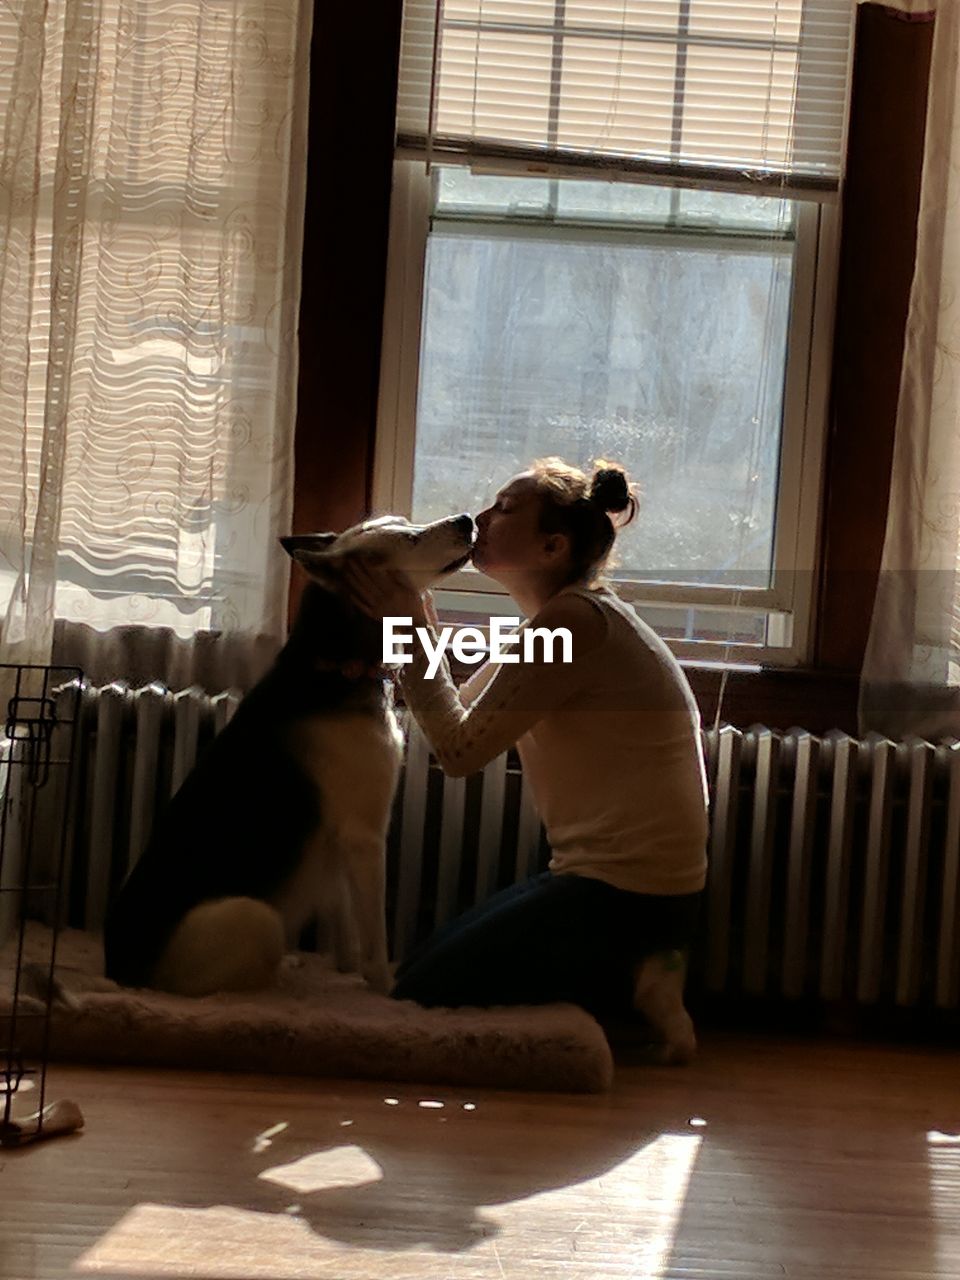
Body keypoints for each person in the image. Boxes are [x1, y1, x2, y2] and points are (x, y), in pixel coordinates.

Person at [344, 457, 709, 1063]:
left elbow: (459, 753)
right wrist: (411, 620)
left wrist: (407, 627)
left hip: (625, 895)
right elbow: (452, 719)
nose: (481, 518)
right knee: (421, 969)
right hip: (614, 885)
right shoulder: (556, 622)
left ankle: (634, 976)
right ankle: (635, 970)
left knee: (418, 991)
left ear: (552, 546)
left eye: (505, 509)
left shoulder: (575, 623)